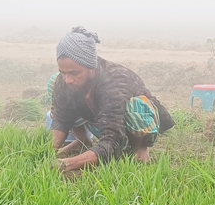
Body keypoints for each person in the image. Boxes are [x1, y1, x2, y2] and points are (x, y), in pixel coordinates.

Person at [50, 27, 175, 174]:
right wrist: (49, 151)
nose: (68, 79)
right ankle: (83, 141)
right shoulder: (66, 81)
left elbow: (112, 141)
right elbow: (62, 118)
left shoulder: (114, 81)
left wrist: (66, 164)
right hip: (98, 116)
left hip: (135, 122)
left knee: (136, 106)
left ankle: (140, 146)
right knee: (56, 85)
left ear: (91, 67)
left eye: (74, 73)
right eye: (63, 72)